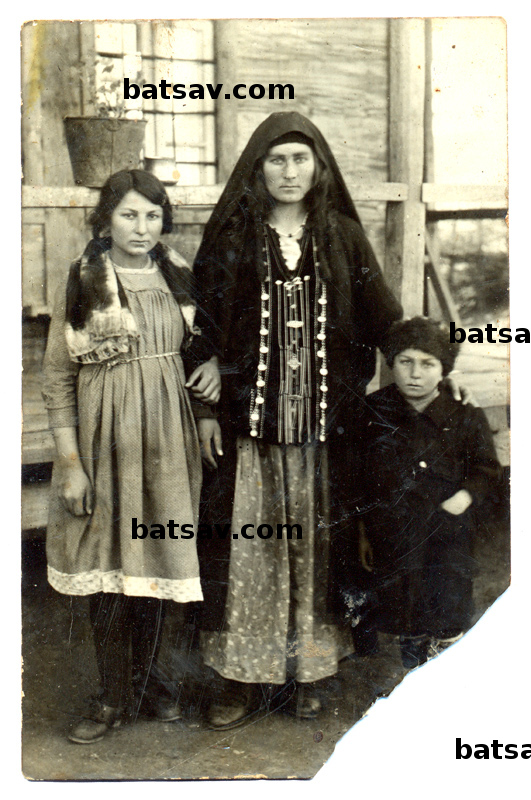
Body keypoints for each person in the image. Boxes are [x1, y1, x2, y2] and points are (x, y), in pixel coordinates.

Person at [192, 111, 403, 728]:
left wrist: (425, 369)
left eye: (300, 160)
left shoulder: (342, 237)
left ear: (319, 168)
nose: (289, 172)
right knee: (249, 554)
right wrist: (207, 407)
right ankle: (241, 679)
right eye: (277, 161)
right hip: (249, 434)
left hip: (321, 432)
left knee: (315, 553)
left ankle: (307, 672)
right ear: (258, 170)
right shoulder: (234, 238)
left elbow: (383, 318)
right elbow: (202, 327)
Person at [42, 169, 219, 743]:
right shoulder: (83, 278)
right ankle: (113, 697)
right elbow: (57, 379)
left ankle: (155, 689)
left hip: (168, 440)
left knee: (159, 559)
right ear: (105, 220)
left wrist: (212, 366)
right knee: (108, 569)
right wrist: (70, 461)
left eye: (152, 216)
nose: (142, 228)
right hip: (103, 442)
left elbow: (204, 348)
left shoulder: (181, 275)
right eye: (128, 215)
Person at [357, 317, 501, 668]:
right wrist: (362, 530)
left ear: (444, 369)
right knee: (406, 606)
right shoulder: (374, 411)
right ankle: (412, 665)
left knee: (447, 603)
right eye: (405, 362)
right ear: (392, 364)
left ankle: (444, 668)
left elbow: (486, 467)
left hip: (447, 532)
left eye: (428, 364)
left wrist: (463, 498)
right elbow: (355, 475)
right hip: (394, 533)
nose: (415, 374)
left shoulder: (464, 413)